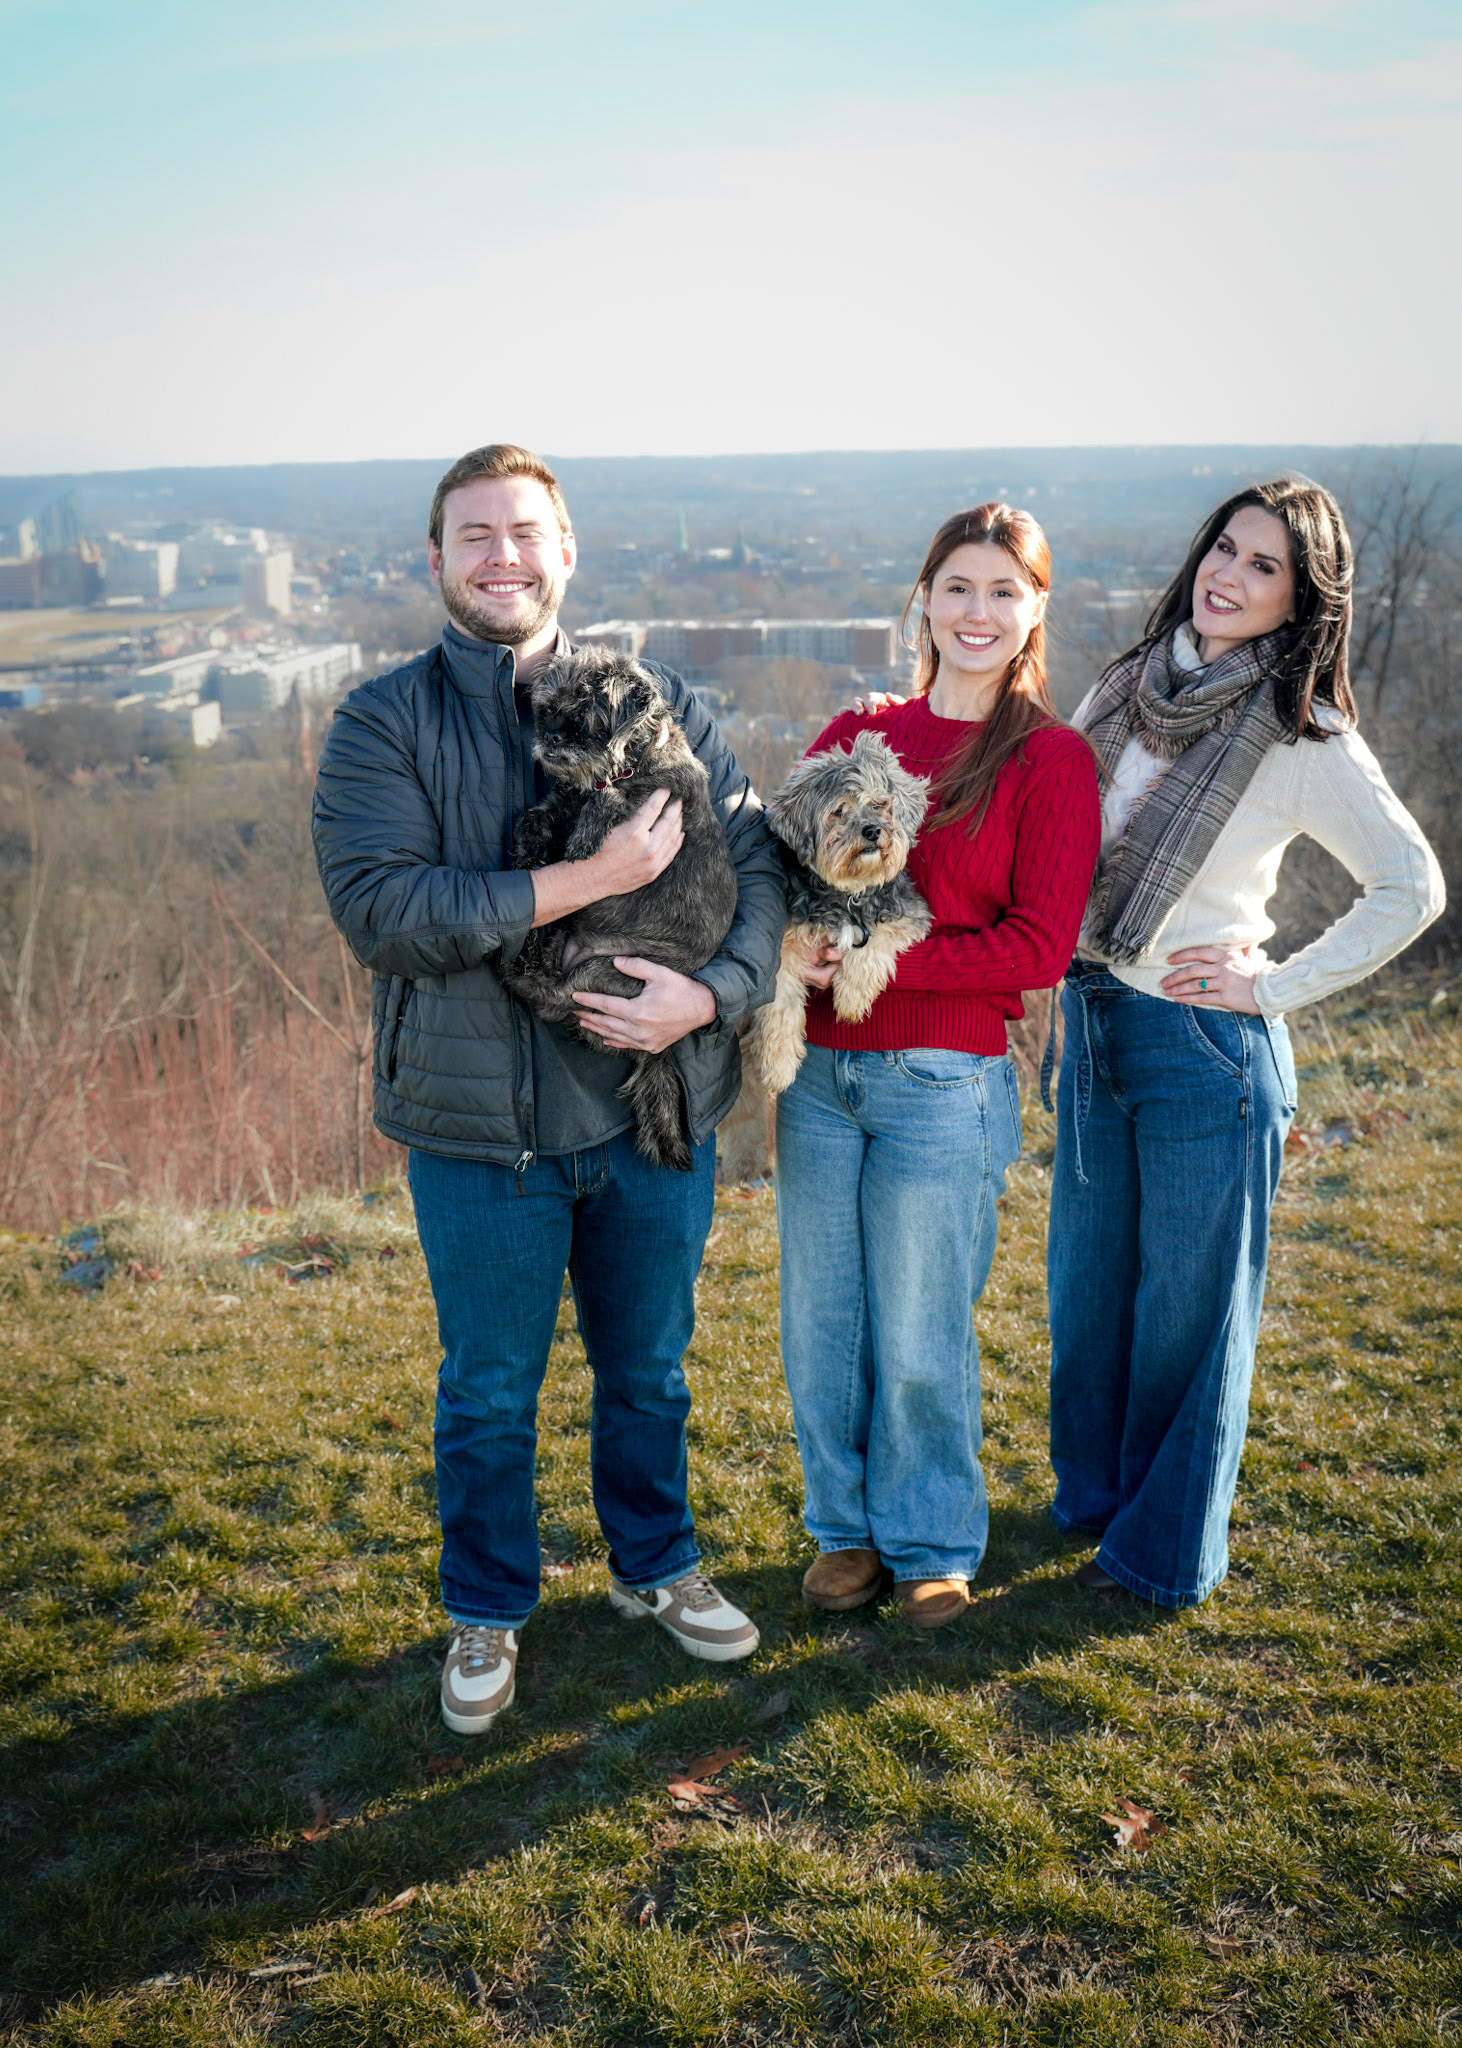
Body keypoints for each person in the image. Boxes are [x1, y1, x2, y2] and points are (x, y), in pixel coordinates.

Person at [312, 444, 784, 1734]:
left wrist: (713, 995)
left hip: (649, 1113)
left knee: (650, 1371)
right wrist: (587, 879)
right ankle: (486, 1608)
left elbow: (753, 861)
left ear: (565, 551)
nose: (502, 556)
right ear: (436, 559)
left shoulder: (663, 696)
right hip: (481, 1135)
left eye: (525, 531)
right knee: (487, 1392)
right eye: (475, 535)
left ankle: (656, 1564)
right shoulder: (383, 722)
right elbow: (384, 911)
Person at [1047, 475, 1445, 1609]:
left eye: (1264, 565)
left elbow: (1410, 885)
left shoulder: (1300, 731)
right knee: (1087, 1299)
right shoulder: (1127, 684)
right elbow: (1055, 829)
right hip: (1093, 1018)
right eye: (1226, 547)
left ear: (1301, 599)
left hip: (1202, 1048)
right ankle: (1095, 1503)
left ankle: (1161, 1554)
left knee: (1190, 1317)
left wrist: (1271, 986)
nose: (1229, 575)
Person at [775, 504, 1101, 1628]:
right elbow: (780, 868)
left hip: (941, 1084)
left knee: (919, 1331)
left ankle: (929, 1542)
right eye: (958, 585)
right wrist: (794, 949)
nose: (977, 611)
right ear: (924, 598)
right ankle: (844, 1530)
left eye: (1004, 591)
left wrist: (873, 956)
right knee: (822, 1325)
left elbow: (1038, 948)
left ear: (1035, 611)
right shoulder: (858, 732)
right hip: (819, 1080)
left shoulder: (1049, 760)